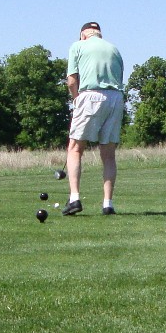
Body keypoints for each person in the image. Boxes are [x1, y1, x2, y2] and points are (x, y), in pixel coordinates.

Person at [63, 21, 124, 215]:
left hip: (90, 95)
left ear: (83, 35)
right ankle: (108, 204)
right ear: (99, 34)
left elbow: (72, 80)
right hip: (116, 98)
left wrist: (76, 100)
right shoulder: (114, 49)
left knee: (75, 148)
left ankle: (74, 199)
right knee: (108, 154)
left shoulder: (78, 46)